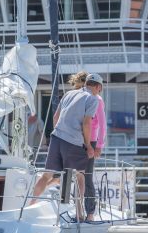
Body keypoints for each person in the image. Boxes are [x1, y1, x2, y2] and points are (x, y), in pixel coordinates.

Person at [32, 73, 101, 220]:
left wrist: (61, 132)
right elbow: (87, 123)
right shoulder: (93, 99)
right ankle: (79, 213)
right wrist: (88, 146)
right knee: (80, 176)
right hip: (74, 142)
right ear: (98, 87)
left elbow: (56, 117)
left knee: (47, 175)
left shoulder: (69, 94)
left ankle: (30, 206)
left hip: (56, 137)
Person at [85, 77, 106, 220]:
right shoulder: (85, 98)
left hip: (91, 142)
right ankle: (80, 210)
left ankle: (90, 213)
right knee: (79, 176)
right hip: (79, 140)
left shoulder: (97, 100)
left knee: (87, 176)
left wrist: (98, 146)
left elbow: (103, 125)